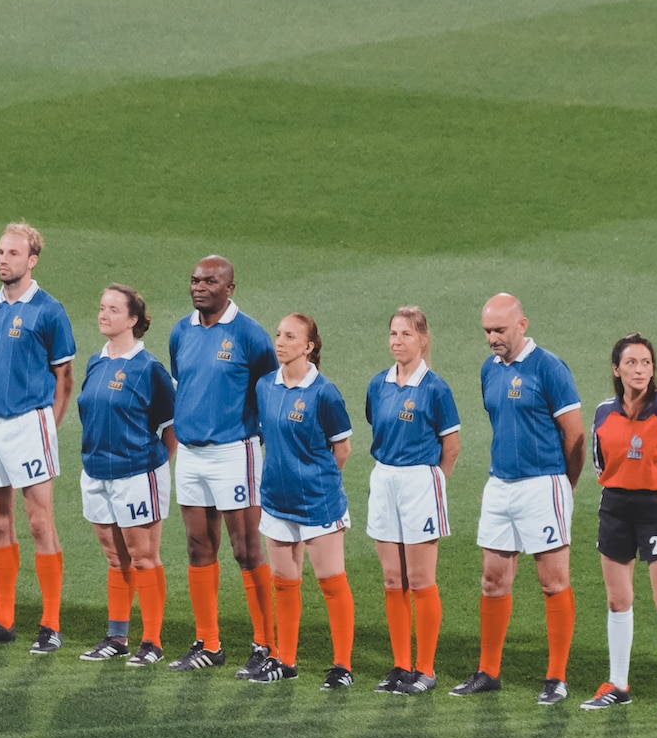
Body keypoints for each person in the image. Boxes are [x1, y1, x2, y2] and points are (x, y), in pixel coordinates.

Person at [450, 294, 585, 702]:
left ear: (522, 325)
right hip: (500, 485)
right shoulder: (489, 369)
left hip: (543, 484)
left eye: (500, 330)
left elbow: (575, 434)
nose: (492, 337)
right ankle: (488, 671)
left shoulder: (549, 367)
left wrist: (564, 484)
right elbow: (502, 425)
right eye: (487, 330)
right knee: (492, 580)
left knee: (553, 581)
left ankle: (556, 677)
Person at [0, 223, 76, 654]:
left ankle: (51, 624)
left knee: (39, 522)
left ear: (32, 260)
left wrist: (49, 427)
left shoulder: (49, 310)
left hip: (30, 422)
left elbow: (64, 376)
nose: (3, 260)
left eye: (13, 253)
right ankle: (3, 619)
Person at [167, 256, 278, 674]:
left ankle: (266, 644)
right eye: (194, 280)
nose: (199, 287)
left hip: (235, 451)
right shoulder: (181, 331)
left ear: (230, 288)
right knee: (198, 546)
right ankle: (209, 643)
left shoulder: (250, 335)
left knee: (246, 548)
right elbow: (183, 382)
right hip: (191, 453)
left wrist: (262, 439)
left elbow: (270, 390)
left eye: (210, 281)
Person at [581, 333, 657, 714]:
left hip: (656, 509)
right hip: (615, 507)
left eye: (646, 362)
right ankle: (618, 684)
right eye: (631, 363)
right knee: (618, 600)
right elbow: (600, 461)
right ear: (616, 370)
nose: (640, 369)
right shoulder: (603, 412)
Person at [248, 314, 355, 688]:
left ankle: (342, 666)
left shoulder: (324, 393)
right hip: (277, 501)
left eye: (290, 337)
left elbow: (342, 449)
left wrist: (316, 481)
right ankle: (286, 660)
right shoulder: (265, 386)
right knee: (283, 582)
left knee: (331, 583)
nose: (280, 342)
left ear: (308, 347)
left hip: (317, 503)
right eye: (278, 335)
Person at [75, 285, 177, 666]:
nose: (104, 315)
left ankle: (152, 642)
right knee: (115, 559)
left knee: (143, 557)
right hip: (96, 472)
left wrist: (154, 466)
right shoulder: (96, 362)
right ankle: (117, 637)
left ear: (133, 319)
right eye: (102, 307)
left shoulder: (148, 368)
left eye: (114, 310)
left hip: (137, 474)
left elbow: (171, 425)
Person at [364, 307, 460, 695]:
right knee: (393, 580)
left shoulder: (435, 388)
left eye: (406, 334)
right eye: (393, 333)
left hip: (420, 480)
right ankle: (401, 665)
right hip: (384, 478)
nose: (397, 341)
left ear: (423, 339)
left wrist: (433, 484)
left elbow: (451, 446)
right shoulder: (378, 384)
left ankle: (426, 669)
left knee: (421, 580)